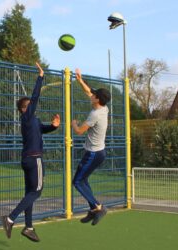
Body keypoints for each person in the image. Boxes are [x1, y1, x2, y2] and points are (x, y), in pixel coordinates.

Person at [1, 62, 60, 242]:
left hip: (27, 159)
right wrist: (40, 76)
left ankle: (28, 227)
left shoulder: (33, 121)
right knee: (37, 192)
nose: (34, 107)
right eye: (31, 106)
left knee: (30, 194)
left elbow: (42, 129)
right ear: (25, 109)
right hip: (34, 160)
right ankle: (10, 218)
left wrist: (53, 126)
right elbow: (34, 98)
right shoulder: (26, 117)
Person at [71, 68, 111, 226]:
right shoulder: (103, 107)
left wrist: (74, 124)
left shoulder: (95, 115)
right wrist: (80, 80)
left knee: (77, 182)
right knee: (83, 180)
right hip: (98, 152)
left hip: (93, 154)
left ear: (97, 100)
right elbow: (89, 92)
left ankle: (98, 207)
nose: (91, 95)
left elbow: (80, 131)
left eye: (94, 95)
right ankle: (93, 210)